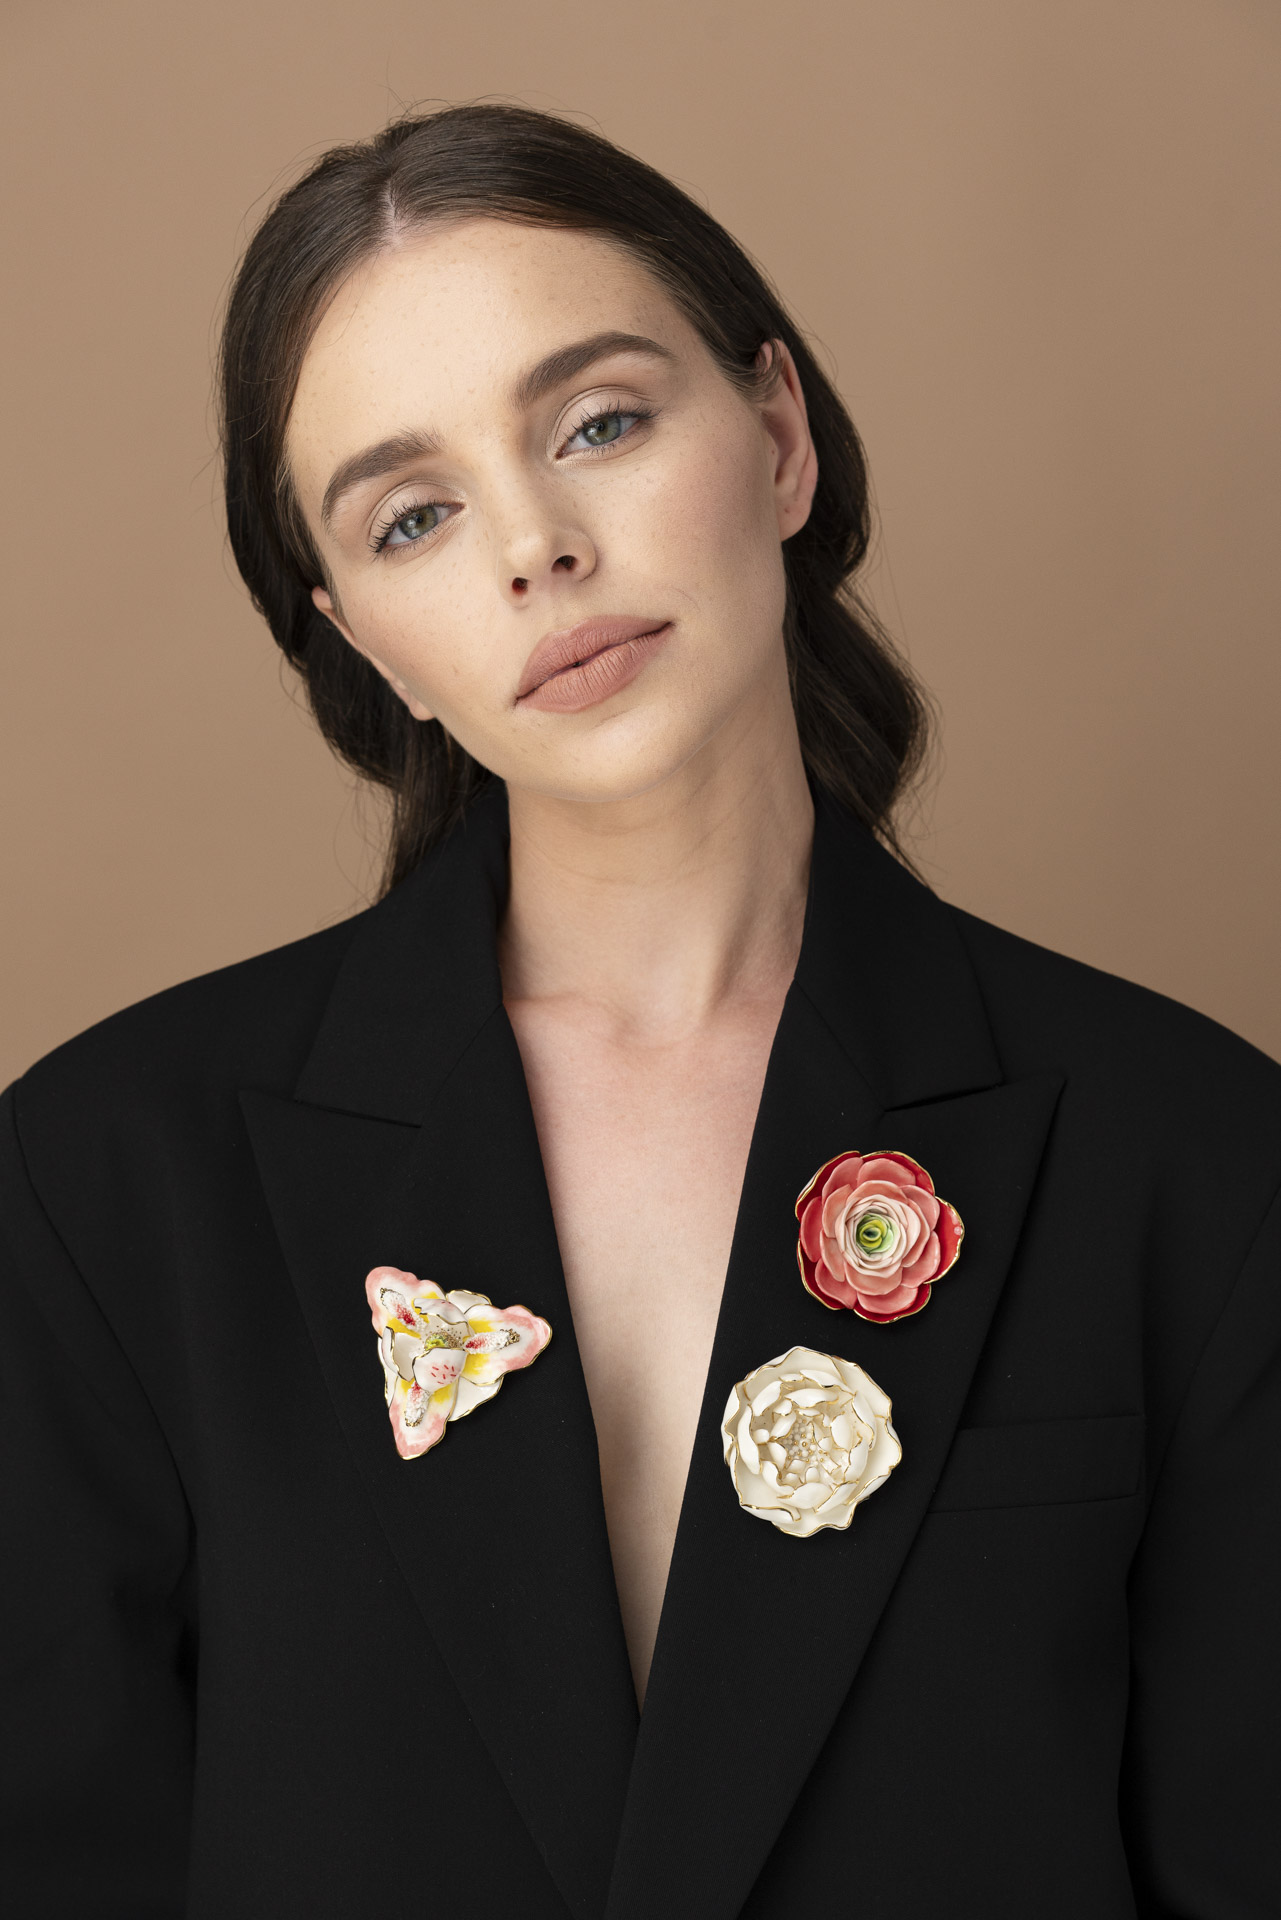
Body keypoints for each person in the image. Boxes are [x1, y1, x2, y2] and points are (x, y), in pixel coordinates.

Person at [1, 103, 1277, 1920]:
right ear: (362, 638)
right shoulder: (97, 1186)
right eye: (414, 514)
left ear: (777, 437)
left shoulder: (1198, 1157)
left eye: (598, 423)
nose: (535, 547)